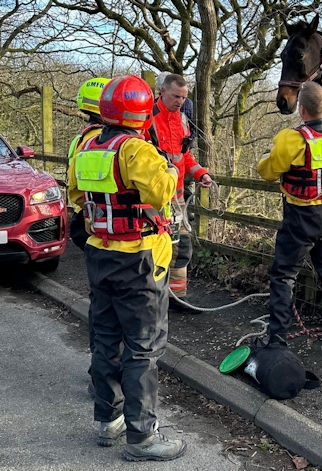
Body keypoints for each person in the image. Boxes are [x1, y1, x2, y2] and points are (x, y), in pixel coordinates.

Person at [67, 74, 186, 461]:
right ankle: (142, 437)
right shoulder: (137, 150)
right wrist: (169, 171)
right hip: (138, 259)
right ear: (141, 111)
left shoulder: (85, 149)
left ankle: (108, 420)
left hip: (99, 254)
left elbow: (75, 195)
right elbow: (162, 192)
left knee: (105, 338)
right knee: (142, 348)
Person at [257, 77, 322, 348]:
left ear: (301, 110)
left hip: (300, 217)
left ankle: (277, 335)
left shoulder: (291, 140)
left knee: (283, 275)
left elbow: (267, 172)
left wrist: (266, 156)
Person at [145, 73, 212, 305]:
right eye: (176, 96)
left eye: (184, 97)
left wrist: (200, 172)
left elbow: (184, 156)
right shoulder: (147, 120)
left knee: (181, 247)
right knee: (156, 250)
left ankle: (178, 298)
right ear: (162, 92)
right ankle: (155, 297)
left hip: (178, 198)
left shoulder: (182, 119)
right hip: (154, 199)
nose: (181, 101)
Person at [68, 77, 110, 251]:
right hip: (106, 217)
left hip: (87, 213)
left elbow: (74, 185)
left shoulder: (80, 139)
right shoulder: (105, 140)